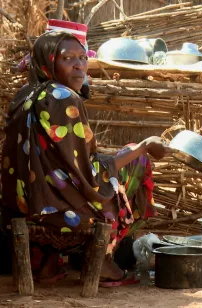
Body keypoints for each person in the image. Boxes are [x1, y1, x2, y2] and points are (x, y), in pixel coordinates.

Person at [1, 31, 172, 284]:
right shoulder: (63, 98)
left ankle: (48, 262)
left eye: (82, 57)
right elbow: (88, 174)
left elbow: (58, 164)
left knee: (61, 180)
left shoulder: (25, 95)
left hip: (23, 206)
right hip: (63, 212)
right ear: (48, 62)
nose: (79, 64)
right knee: (137, 163)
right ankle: (102, 258)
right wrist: (143, 148)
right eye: (68, 58)